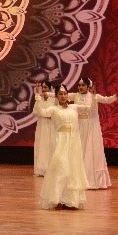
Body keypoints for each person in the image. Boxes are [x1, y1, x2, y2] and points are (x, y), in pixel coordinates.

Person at [32, 82, 96, 210]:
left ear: (67, 95)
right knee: (62, 170)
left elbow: (89, 109)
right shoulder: (54, 109)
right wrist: (38, 97)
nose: (63, 96)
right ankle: (57, 199)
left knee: (73, 171)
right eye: (60, 94)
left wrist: (93, 97)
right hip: (59, 143)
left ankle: (71, 201)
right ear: (56, 96)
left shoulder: (74, 107)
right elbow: (41, 112)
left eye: (65, 93)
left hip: (73, 143)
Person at [69, 76, 118, 189]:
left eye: (83, 85)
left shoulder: (94, 96)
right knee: (79, 150)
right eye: (79, 85)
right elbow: (61, 95)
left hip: (91, 128)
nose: (80, 87)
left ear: (88, 86)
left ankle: (93, 181)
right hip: (79, 127)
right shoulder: (76, 96)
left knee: (90, 150)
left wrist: (116, 96)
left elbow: (107, 100)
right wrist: (47, 94)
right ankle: (79, 179)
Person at [33, 81, 55, 177]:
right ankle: (41, 169)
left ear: (50, 88)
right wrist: (43, 114)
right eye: (43, 87)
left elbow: (56, 111)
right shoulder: (39, 99)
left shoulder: (54, 99)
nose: (44, 89)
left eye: (46, 87)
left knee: (51, 145)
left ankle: (51, 169)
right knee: (42, 145)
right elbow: (35, 112)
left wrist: (49, 115)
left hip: (51, 125)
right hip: (42, 125)